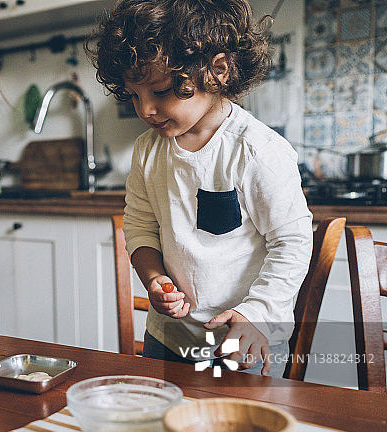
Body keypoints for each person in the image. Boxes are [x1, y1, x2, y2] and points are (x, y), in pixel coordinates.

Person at [85, 0, 312, 377]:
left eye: (160, 91)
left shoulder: (256, 150)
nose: (145, 110)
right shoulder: (147, 151)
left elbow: (292, 242)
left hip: (246, 338)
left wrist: (256, 313)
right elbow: (140, 227)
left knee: (241, 417)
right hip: (168, 337)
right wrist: (154, 278)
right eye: (135, 95)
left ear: (217, 71)